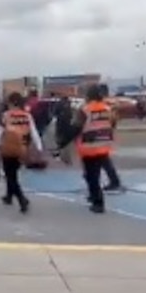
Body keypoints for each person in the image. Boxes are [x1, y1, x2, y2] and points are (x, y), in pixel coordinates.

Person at [60, 84, 115, 213]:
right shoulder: (108, 108)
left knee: (92, 176)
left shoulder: (85, 110)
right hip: (104, 145)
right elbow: (112, 123)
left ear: (88, 96)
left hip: (89, 147)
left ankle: (98, 202)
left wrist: (63, 142)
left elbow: (76, 128)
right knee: (94, 174)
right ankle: (94, 195)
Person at [0, 92, 33, 213]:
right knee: (13, 173)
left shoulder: (6, 115)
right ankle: (9, 196)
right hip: (22, 148)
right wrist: (38, 147)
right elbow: (33, 132)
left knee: (10, 175)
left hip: (9, 147)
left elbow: (0, 133)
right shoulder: (27, 115)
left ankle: (22, 199)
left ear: (10, 103)